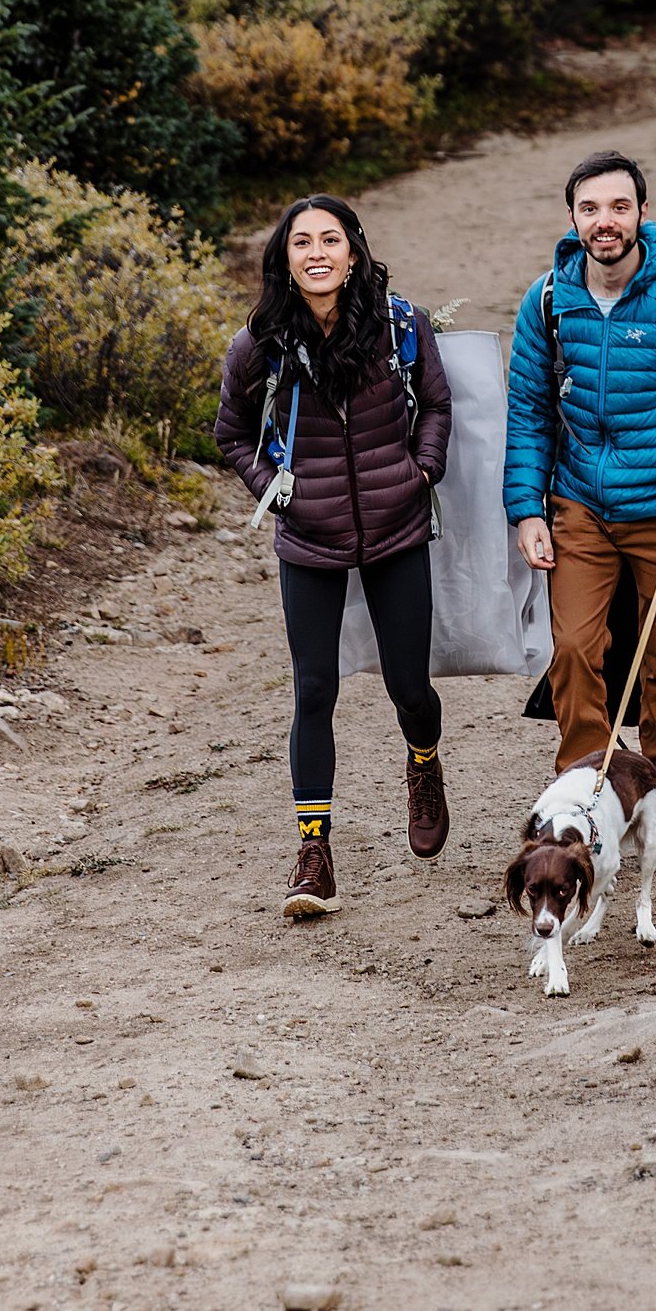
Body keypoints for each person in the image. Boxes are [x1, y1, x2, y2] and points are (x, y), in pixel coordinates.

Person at [504, 150, 656, 869]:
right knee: (577, 651)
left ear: (642, 212)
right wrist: (526, 508)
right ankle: (582, 806)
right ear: (573, 218)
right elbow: (527, 411)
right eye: (590, 208)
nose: (604, 221)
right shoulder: (549, 300)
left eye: (619, 206)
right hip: (579, 501)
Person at [214, 193, 453, 919]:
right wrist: (275, 491)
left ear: (353, 252)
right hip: (309, 538)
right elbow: (230, 432)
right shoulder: (260, 341)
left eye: (330, 238)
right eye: (301, 243)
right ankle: (314, 852)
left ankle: (423, 762)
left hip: (396, 526)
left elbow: (437, 406)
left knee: (409, 687)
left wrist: (422, 470)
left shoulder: (401, 324)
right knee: (314, 690)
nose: (317, 252)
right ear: (283, 260)